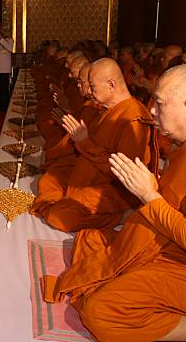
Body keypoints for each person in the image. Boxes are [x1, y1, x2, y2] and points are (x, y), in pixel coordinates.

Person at [43, 64, 186, 342]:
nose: (152, 109)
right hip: (169, 240)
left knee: (101, 311)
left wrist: (149, 195)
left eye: (161, 103)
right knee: (90, 242)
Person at [31, 58, 153, 232]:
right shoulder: (107, 109)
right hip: (89, 175)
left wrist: (84, 141)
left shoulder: (133, 117)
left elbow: (125, 174)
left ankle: (122, 215)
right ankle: (69, 202)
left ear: (111, 84)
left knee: (60, 216)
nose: (90, 92)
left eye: (93, 86)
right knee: (49, 180)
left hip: (113, 189)